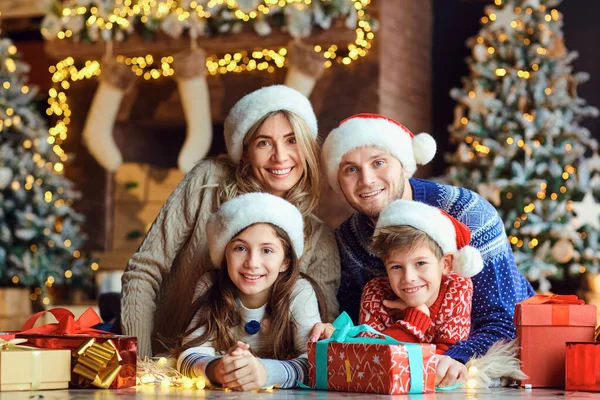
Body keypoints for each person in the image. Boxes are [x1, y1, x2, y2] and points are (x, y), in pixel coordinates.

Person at [311, 113, 535, 386]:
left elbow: (505, 319)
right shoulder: (349, 238)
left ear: (405, 165)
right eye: (350, 169)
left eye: (379, 162)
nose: (367, 180)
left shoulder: (470, 214)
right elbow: (357, 328)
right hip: (406, 367)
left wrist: (455, 356)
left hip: (480, 364)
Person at [121, 85, 340, 358]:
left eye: (292, 140)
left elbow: (319, 331)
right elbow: (143, 271)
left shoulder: (318, 237)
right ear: (245, 152)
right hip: (172, 362)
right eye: (264, 142)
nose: (280, 156)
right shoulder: (208, 182)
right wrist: (138, 364)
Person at [176, 193, 324, 390]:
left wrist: (266, 372)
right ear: (224, 254)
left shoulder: (298, 291)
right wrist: (216, 369)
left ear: (285, 262)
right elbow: (189, 354)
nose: (252, 263)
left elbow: (316, 363)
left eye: (267, 250)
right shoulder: (210, 285)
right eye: (240, 248)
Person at [360, 199, 484, 384]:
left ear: (446, 264)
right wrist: (416, 318)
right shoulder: (375, 293)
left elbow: (445, 359)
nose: (408, 277)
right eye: (396, 267)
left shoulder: (457, 288)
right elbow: (370, 358)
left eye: (420, 263)